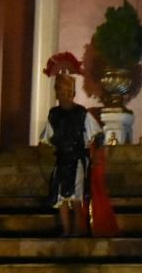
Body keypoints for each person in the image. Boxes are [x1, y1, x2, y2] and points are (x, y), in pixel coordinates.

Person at [38, 52, 100, 237]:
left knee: (76, 197)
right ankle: (66, 230)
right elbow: (46, 137)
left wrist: (95, 155)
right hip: (61, 160)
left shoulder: (82, 113)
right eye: (60, 91)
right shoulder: (54, 114)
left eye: (67, 91)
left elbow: (96, 135)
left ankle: (78, 229)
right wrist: (41, 151)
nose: (64, 95)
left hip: (77, 160)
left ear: (72, 93)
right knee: (61, 198)